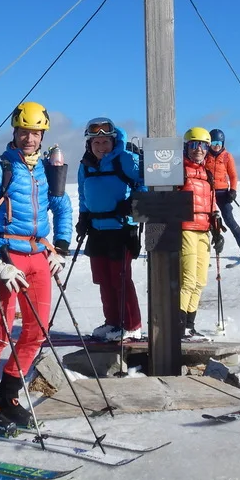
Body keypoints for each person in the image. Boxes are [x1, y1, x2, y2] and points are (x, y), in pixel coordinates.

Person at [0, 101, 73, 428]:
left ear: (43, 135)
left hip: (39, 256)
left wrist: (60, 246)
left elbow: (62, 207)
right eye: (24, 132)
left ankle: (10, 393)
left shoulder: (46, 170)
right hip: (8, 256)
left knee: (38, 329)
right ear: (14, 132)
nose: (29, 139)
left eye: (35, 133)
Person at [76, 117, 145, 342]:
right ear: (89, 145)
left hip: (121, 227)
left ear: (113, 141)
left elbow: (144, 182)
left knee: (121, 279)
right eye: (96, 143)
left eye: (105, 142)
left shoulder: (125, 159)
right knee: (103, 279)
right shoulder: (85, 165)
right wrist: (83, 217)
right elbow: (83, 194)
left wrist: (133, 203)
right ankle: (113, 322)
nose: (101, 147)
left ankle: (132, 324)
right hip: (97, 228)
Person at [179, 127, 224, 341]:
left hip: (204, 229)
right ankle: (179, 326)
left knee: (200, 281)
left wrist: (216, 225)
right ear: (186, 147)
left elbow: (212, 200)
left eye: (203, 146)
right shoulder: (180, 171)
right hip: (185, 227)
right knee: (187, 280)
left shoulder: (207, 173)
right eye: (194, 145)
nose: (198, 150)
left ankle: (190, 324)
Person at [205, 128, 240, 260]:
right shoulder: (205, 155)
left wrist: (233, 190)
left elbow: (233, 175)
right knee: (207, 222)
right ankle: (204, 254)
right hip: (208, 193)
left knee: (229, 220)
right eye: (214, 142)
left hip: (223, 192)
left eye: (219, 142)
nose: (217, 145)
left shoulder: (227, 156)